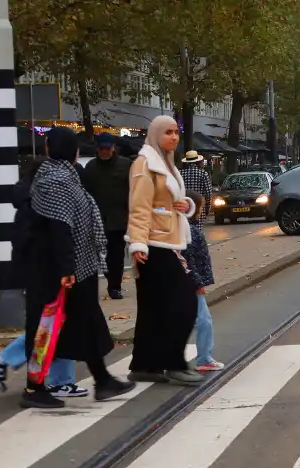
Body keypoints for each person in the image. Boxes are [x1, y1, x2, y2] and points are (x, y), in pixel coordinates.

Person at [21, 127, 136, 409]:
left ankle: (103, 379)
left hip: (76, 267)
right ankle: (34, 388)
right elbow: (59, 227)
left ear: (49, 149)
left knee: (88, 321)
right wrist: (65, 269)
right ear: (73, 152)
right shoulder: (56, 181)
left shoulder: (64, 177)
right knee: (45, 327)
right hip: (57, 271)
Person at [0, 156, 83, 398]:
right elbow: (54, 237)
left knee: (53, 322)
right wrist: (65, 268)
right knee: (53, 323)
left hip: (42, 271)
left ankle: (51, 376)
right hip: (48, 272)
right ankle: (47, 377)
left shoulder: (30, 201)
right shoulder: (42, 203)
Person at [126, 116, 203, 386]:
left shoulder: (167, 164)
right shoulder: (145, 164)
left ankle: (145, 364)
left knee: (153, 308)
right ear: (156, 134)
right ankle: (173, 362)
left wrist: (185, 206)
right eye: (167, 133)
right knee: (185, 302)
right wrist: (137, 244)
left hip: (168, 241)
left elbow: (168, 204)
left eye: (176, 132)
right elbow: (139, 208)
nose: (173, 137)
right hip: (154, 245)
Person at [178, 154, 223, 372]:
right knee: (202, 320)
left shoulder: (180, 175)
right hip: (192, 283)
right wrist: (198, 283)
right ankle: (203, 358)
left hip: (188, 281)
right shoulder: (192, 233)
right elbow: (188, 260)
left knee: (192, 319)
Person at [81, 132, 132, 299]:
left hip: (118, 219)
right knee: (98, 255)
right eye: (101, 149)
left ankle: (114, 286)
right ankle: (104, 281)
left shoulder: (125, 165)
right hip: (96, 219)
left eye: (107, 149)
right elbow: (85, 192)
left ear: (113, 148)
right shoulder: (91, 167)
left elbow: (132, 190)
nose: (104, 152)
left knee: (116, 255)